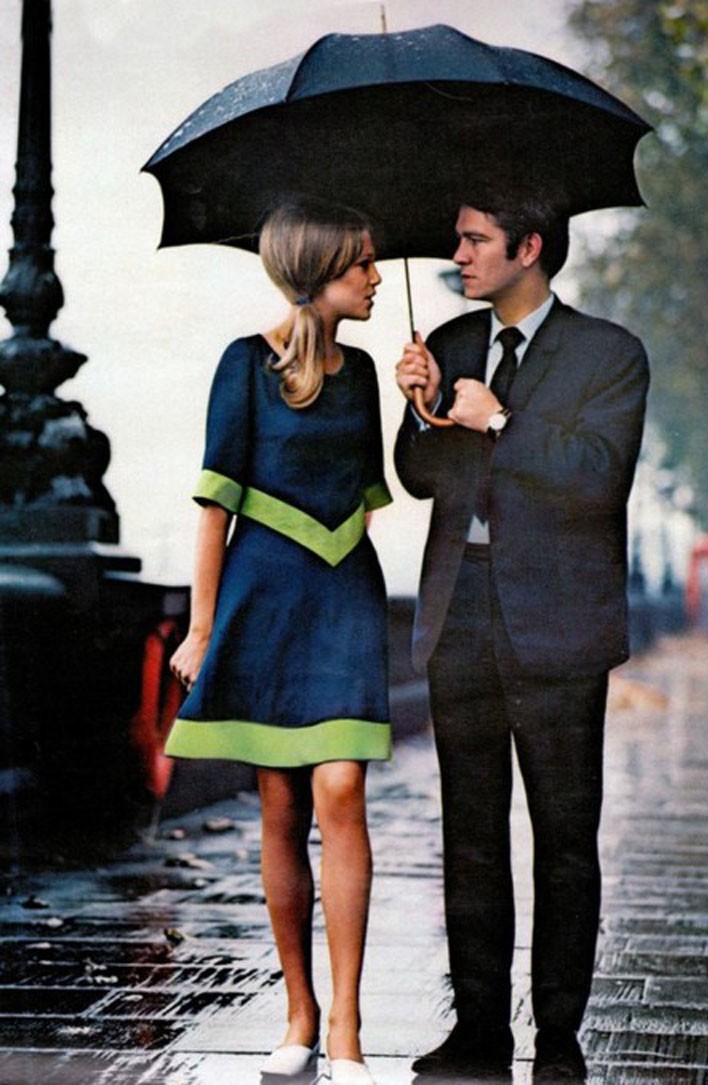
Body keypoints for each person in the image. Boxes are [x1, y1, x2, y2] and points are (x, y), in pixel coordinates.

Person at [394, 187, 649, 1083]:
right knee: (468, 831)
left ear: (528, 246)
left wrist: (497, 419)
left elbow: (595, 477)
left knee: (564, 834)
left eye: (474, 240)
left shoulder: (609, 354)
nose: (457, 255)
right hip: (459, 613)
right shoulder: (455, 344)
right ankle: (477, 1029)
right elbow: (420, 478)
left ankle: (560, 1035)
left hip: (561, 626)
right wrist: (424, 404)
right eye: (457, 239)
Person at [166, 195, 390, 1085]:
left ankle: (347, 1026)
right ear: (317, 272)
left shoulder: (369, 371)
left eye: (373, 263)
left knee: (340, 790)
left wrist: (419, 404)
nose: (375, 277)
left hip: (344, 592)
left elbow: (376, 489)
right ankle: (297, 1011)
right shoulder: (242, 366)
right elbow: (216, 506)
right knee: (280, 807)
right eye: (361, 263)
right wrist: (200, 628)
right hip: (264, 596)